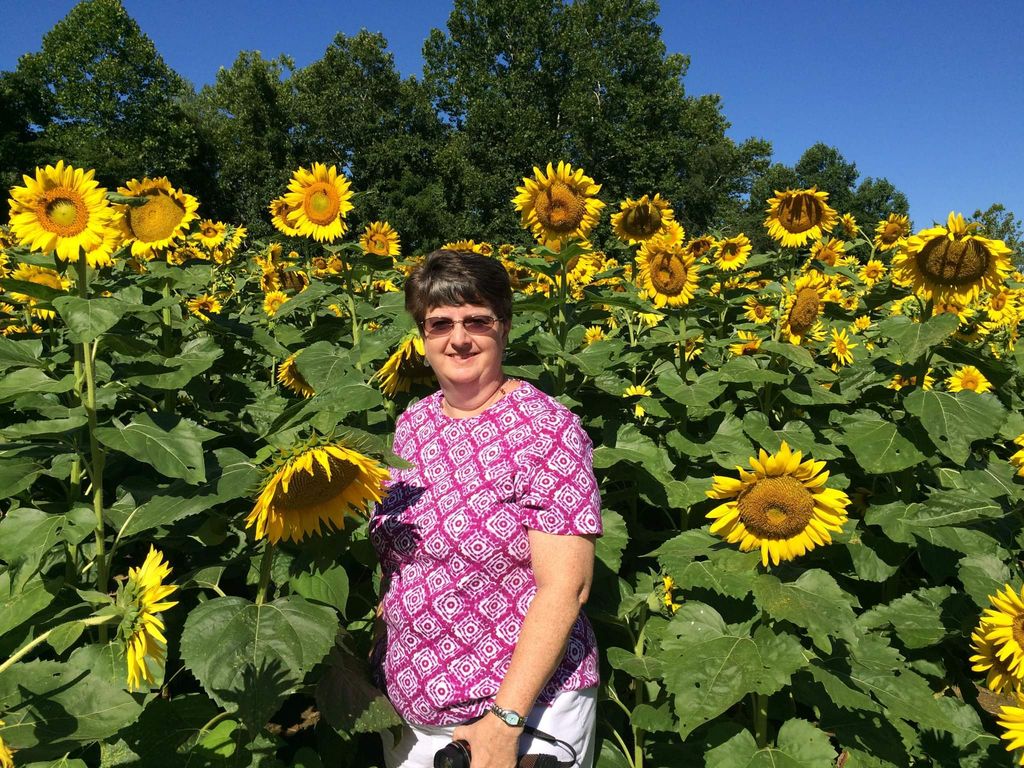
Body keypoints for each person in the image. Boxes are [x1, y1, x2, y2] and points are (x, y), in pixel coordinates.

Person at [370, 249, 603, 768]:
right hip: (412, 712)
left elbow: (566, 587)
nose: (458, 338)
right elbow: (403, 553)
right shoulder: (413, 425)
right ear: (422, 335)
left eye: (477, 320)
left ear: (505, 326)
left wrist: (505, 721)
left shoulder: (546, 429)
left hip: (520, 717)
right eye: (440, 323)